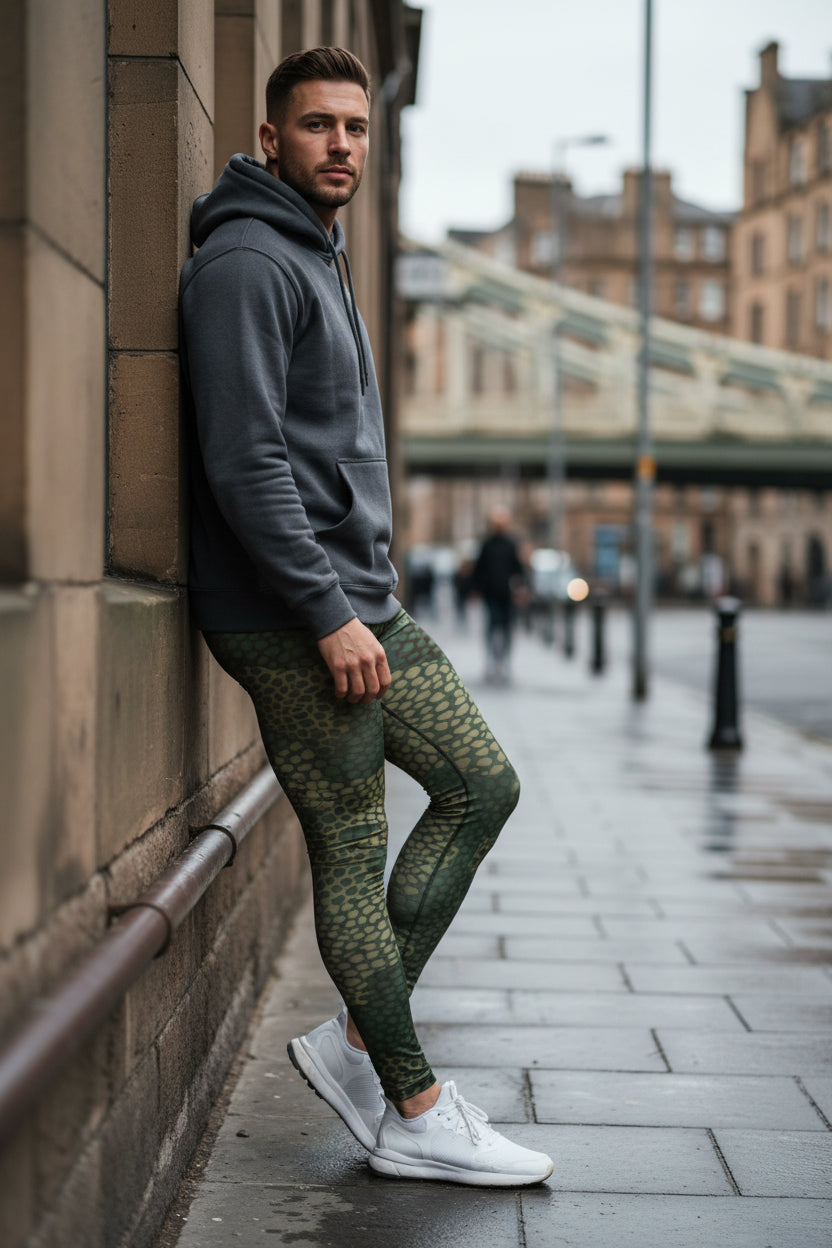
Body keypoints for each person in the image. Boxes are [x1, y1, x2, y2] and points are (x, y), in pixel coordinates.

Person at [179, 46, 552, 1187]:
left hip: (354, 600)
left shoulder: (312, 249)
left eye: (355, 126)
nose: (341, 142)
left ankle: (355, 1043)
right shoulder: (248, 260)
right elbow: (246, 464)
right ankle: (411, 1105)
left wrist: (356, 600)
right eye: (317, 126)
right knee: (350, 842)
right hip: (299, 614)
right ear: (271, 135)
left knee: (482, 784)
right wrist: (328, 612)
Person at [472, 507, 526, 683]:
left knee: (507, 630)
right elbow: (479, 569)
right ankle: (492, 662)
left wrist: (520, 588)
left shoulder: (511, 544)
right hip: (491, 595)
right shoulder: (487, 544)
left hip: (506, 595)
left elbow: (519, 569)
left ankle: (505, 663)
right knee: (492, 629)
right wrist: (477, 589)